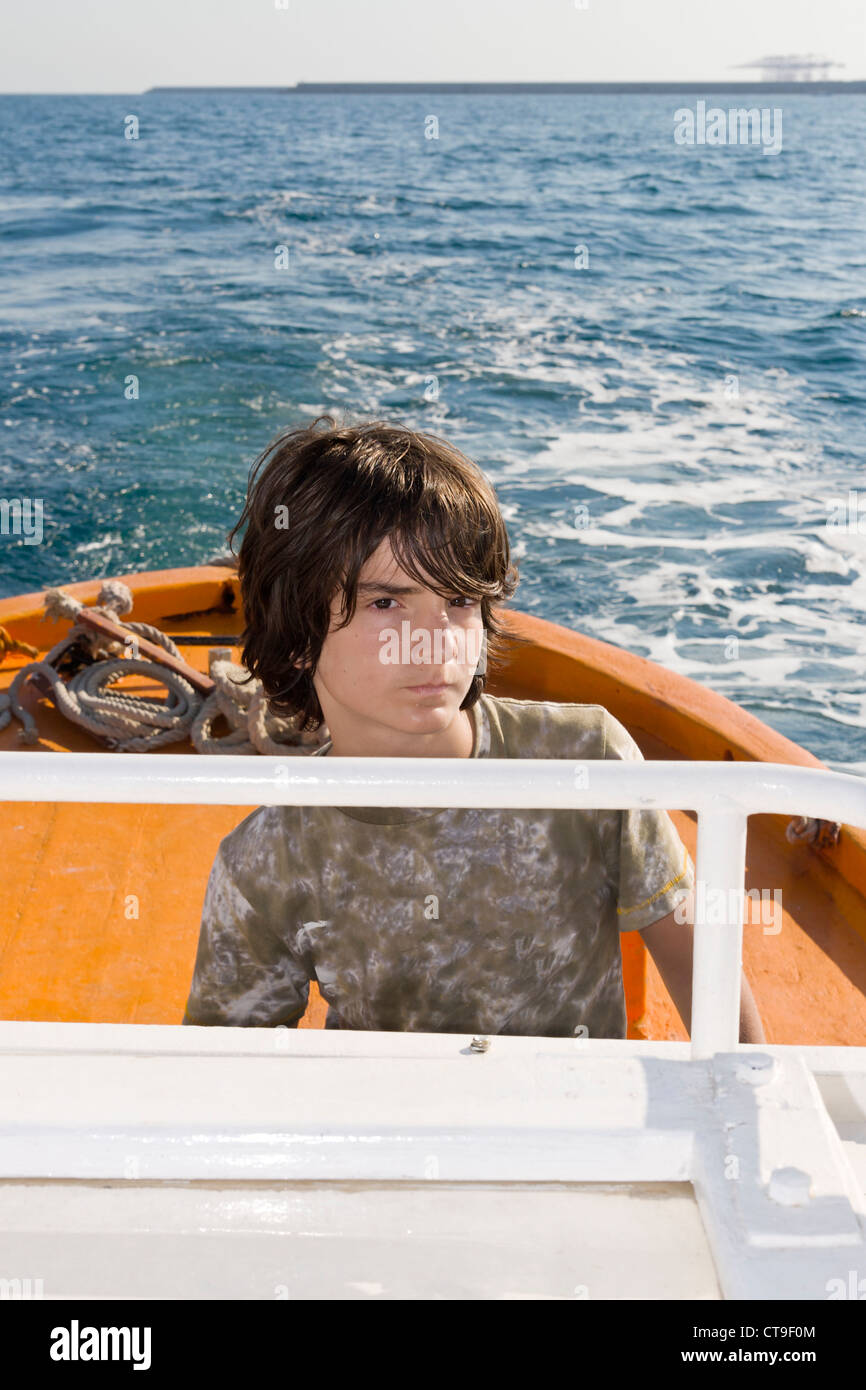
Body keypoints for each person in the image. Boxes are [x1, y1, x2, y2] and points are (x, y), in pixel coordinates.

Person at [182, 416, 765, 1043]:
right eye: (386, 603)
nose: (434, 642)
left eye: (458, 602)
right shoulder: (267, 860)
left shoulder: (585, 762)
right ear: (298, 635)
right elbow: (228, 1073)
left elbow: (700, 965)